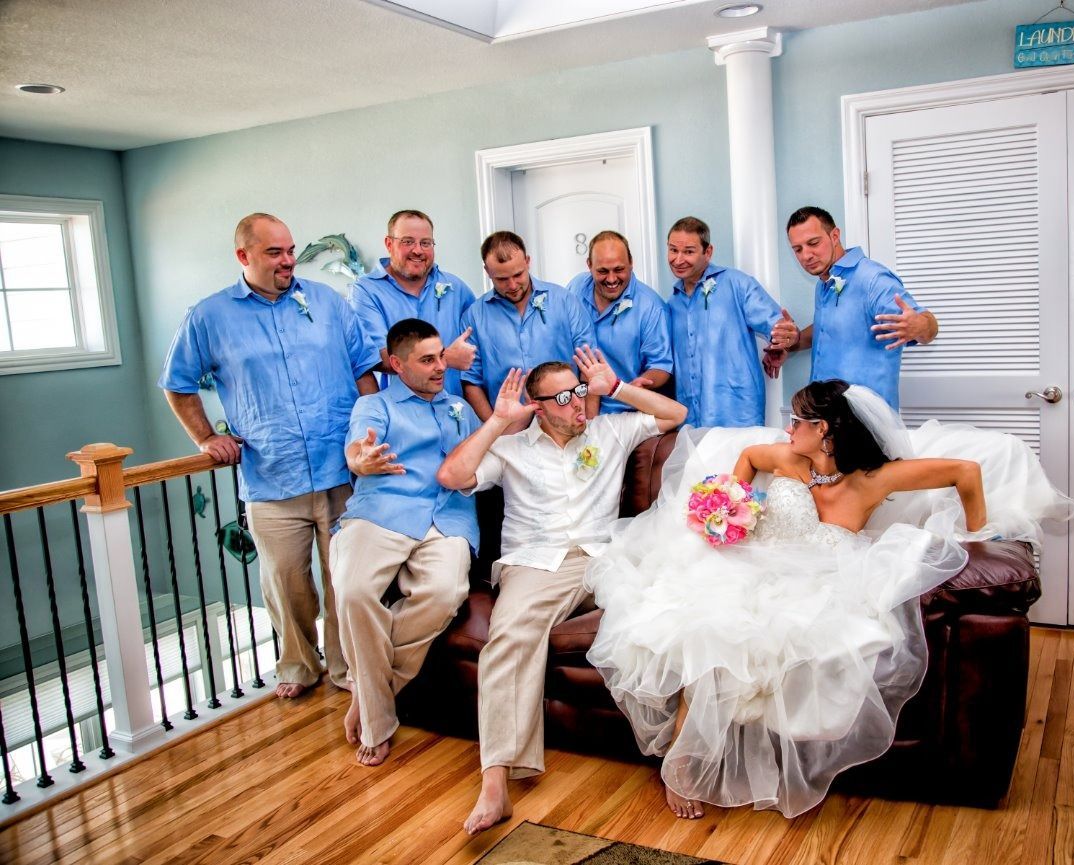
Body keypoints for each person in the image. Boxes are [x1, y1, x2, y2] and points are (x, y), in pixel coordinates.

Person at [585, 379, 1074, 818]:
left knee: (769, 637)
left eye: (796, 420)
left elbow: (966, 471)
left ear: (825, 429)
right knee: (703, 620)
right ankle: (684, 752)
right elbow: (750, 460)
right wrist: (730, 504)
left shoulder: (874, 478)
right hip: (758, 562)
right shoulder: (784, 457)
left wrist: (976, 538)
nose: (787, 427)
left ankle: (703, 751)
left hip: (829, 576)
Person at [436, 346, 688, 836]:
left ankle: (678, 758)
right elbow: (453, 476)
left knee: (665, 616)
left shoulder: (610, 431)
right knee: (508, 638)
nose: (577, 403)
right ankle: (495, 782)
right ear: (539, 407)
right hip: (537, 563)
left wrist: (613, 388)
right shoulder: (511, 449)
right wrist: (497, 423)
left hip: (606, 556)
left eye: (579, 391)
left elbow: (675, 414)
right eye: (564, 397)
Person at [158, 212, 380, 698]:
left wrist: (371, 433)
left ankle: (348, 670)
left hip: (341, 471)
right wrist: (204, 439)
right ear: (244, 256)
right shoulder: (208, 316)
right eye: (274, 253)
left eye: (290, 250)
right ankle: (300, 665)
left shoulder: (328, 302)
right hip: (271, 477)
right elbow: (177, 385)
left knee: (346, 580)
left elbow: (365, 371)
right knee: (287, 585)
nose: (287, 261)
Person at [331, 318, 479, 766]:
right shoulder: (376, 406)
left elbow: (487, 448)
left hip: (447, 518)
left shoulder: (459, 408)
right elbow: (358, 449)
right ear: (396, 364)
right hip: (382, 512)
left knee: (445, 592)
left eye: (442, 357)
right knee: (354, 592)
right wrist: (362, 460)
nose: (441, 367)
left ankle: (371, 693)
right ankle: (380, 720)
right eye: (428, 360)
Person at [773, 206, 938, 410]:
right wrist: (795, 340)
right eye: (798, 249)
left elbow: (928, 326)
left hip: (867, 421)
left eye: (813, 243)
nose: (806, 255)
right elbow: (827, 329)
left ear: (835, 236)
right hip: (826, 413)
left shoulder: (873, 279)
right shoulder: (823, 283)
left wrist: (920, 326)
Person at [665, 216, 799, 427]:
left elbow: (778, 327)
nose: (678, 259)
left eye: (689, 251)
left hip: (738, 415)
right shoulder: (671, 303)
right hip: (690, 420)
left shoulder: (737, 284)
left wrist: (785, 339)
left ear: (707, 252)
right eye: (673, 250)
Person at [461, 230, 597, 422]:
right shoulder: (474, 316)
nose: (513, 285)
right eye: (502, 279)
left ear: (527, 261)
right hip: (510, 429)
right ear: (487, 271)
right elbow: (471, 381)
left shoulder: (565, 301)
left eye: (518, 274)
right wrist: (494, 432)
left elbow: (589, 367)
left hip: (566, 420)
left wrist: (589, 422)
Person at [349, 210, 477, 395]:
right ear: (389, 244)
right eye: (408, 242)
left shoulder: (456, 288)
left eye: (425, 243)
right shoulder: (366, 292)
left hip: (454, 412)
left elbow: (477, 347)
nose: (417, 250)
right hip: (401, 416)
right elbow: (376, 358)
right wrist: (446, 357)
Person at [564, 230, 672, 412]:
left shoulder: (652, 307)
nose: (612, 279)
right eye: (603, 271)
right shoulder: (575, 288)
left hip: (623, 411)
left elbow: (661, 366)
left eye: (619, 270)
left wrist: (639, 385)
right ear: (589, 265)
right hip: (576, 410)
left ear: (631, 263)